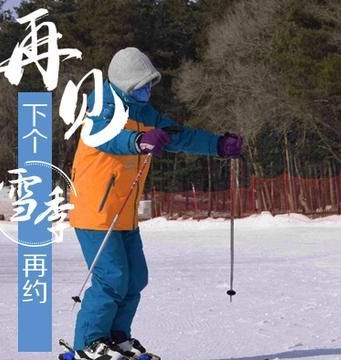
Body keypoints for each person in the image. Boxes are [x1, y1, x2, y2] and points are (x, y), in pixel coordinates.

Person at [66, 47, 243, 360]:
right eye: (141, 86)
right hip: (94, 211)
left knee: (135, 277)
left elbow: (179, 136)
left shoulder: (144, 112)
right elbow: (104, 136)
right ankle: (88, 344)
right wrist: (137, 141)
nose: (148, 91)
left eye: (150, 85)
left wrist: (217, 145)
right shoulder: (99, 108)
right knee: (112, 278)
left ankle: (117, 337)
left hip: (123, 212)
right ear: (124, 85)